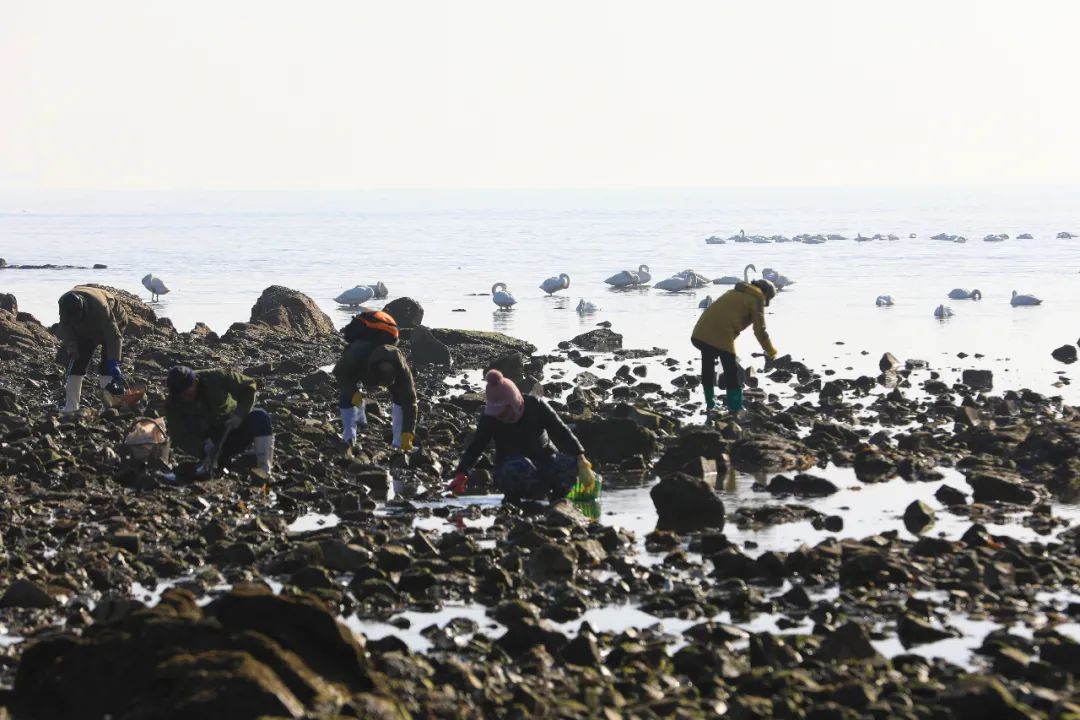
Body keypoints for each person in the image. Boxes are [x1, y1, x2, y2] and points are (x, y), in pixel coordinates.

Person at [448, 369, 593, 502]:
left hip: (544, 460)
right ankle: (518, 502)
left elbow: (561, 432)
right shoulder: (490, 418)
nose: (500, 416)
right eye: (496, 413)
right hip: (510, 467)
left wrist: (581, 460)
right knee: (518, 467)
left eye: (504, 412)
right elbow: (476, 445)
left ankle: (558, 501)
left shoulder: (535, 405)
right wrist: (461, 473)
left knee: (570, 466)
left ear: (515, 402)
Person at [332, 310, 418, 451]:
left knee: (401, 396)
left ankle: (399, 443)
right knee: (347, 395)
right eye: (382, 381)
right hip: (359, 358)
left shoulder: (400, 366)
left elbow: (410, 401)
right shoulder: (355, 355)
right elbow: (340, 374)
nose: (382, 386)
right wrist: (354, 394)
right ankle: (348, 437)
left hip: (386, 336)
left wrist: (408, 436)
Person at [165, 366, 274, 476]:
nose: (186, 397)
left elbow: (249, 386)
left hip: (233, 427)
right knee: (210, 470)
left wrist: (239, 415)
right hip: (211, 445)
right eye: (181, 396)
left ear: (194, 383)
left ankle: (264, 470)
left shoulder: (215, 378)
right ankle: (216, 463)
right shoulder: (172, 405)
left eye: (188, 393)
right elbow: (180, 436)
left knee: (260, 417)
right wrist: (202, 449)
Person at [691, 278, 778, 413]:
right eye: (769, 298)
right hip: (721, 335)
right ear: (765, 293)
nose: (767, 303)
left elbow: (723, 316)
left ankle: (710, 404)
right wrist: (771, 351)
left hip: (700, 333)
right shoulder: (757, 299)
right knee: (731, 371)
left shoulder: (734, 291)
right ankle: (735, 407)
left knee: (707, 367)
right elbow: (760, 331)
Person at [56, 286, 129, 412]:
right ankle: (71, 406)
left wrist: (114, 362)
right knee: (77, 363)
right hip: (86, 326)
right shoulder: (64, 304)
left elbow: (114, 337)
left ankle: (108, 406)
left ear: (82, 309)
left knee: (107, 365)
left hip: (114, 320)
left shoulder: (101, 307)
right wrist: (72, 345)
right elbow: (66, 326)